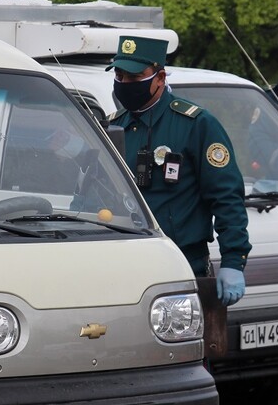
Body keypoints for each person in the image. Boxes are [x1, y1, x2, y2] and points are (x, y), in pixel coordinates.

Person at [107, 35, 251, 306]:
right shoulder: (113, 126)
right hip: (124, 265)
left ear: (160, 78)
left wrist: (234, 260)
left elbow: (226, 196)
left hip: (181, 265)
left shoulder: (195, 124)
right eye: (119, 76)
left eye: (134, 77)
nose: (124, 84)